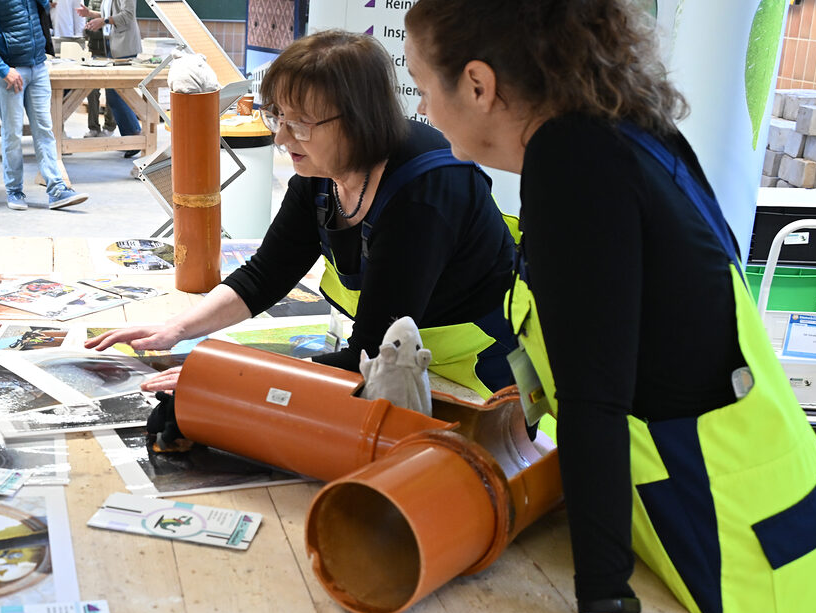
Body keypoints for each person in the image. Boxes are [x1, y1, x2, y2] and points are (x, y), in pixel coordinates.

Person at [401, 2, 816, 613]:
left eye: (422, 86)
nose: (422, 109)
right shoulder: (611, 134)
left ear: (478, 84)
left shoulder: (573, 161)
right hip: (768, 526)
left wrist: (606, 600)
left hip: (744, 559)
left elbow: (597, 397)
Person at [88, 30, 517, 398]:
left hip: (481, 372)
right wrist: (176, 330)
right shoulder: (319, 173)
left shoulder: (424, 195)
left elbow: (367, 354)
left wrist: (231, 379)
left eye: (301, 123)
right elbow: (263, 276)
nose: (280, 136)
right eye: (276, 115)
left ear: (358, 121)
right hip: (402, 361)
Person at [0, 0, 87, 211]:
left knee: (45, 129)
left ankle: (57, 189)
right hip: (9, 69)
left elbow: (43, 10)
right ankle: (14, 190)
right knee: (12, 132)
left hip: (37, 65)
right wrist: (1, 68)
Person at [76, 0, 138, 156]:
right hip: (113, 45)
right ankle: (132, 138)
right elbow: (110, 14)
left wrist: (102, 21)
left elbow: (128, 15)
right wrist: (90, 15)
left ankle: (134, 136)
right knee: (115, 95)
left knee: (117, 95)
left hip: (125, 47)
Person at [80, 0, 115, 137]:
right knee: (92, 90)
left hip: (111, 49)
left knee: (111, 90)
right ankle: (93, 127)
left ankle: (109, 126)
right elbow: (89, 17)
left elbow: (115, 17)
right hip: (94, 48)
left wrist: (95, 18)